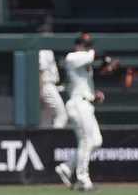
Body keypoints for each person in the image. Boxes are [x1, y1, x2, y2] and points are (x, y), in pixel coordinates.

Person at [55, 34, 109, 192]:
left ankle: (66, 167)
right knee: (86, 141)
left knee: (96, 141)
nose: (87, 47)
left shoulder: (85, 61)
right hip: (77, 104)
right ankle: (83, 180)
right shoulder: (72, 57)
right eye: (84, 44)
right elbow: (96, 54)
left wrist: (94, 97)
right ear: (77, 45)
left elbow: (83, 84)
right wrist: (106, 58)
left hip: (86, 103)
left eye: (88, 44)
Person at [39, 25, 67, 129]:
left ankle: (44, 142)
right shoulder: (43, 50)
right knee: (62, 115)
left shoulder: (48, 50)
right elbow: (40, 72)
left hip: (49, 85)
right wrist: (40, 91)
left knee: (46, 118)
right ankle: (55, 138)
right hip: (46, 86)